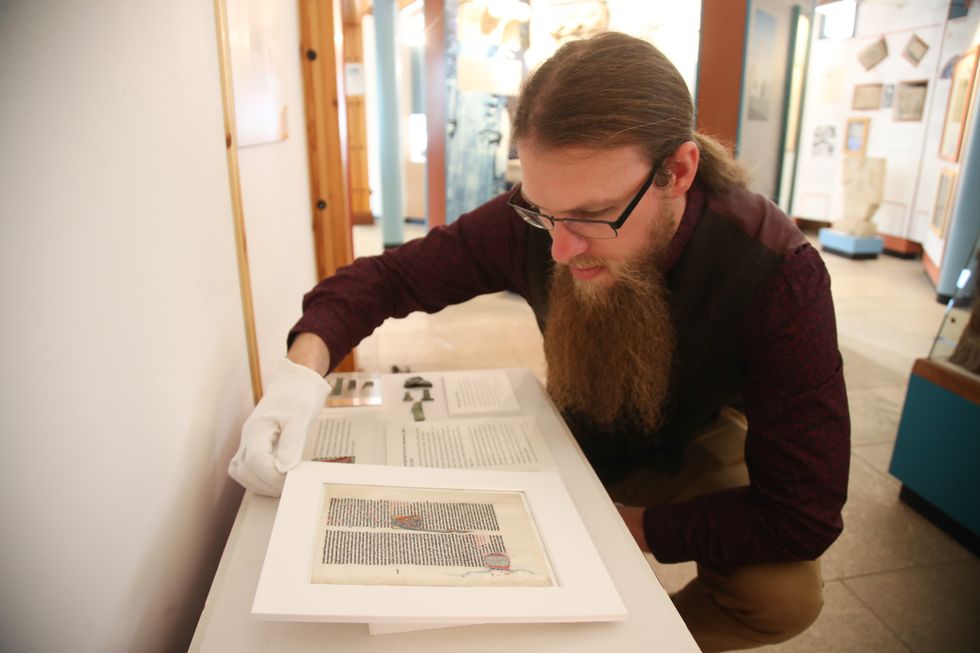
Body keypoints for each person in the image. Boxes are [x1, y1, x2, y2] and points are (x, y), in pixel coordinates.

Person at [228, 32, 849, 652]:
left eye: (591, 216)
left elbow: (803, 512)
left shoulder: (776, 271)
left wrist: (634, 530)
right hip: (572, 421)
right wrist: (300, 377)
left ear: (677, 172)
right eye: (542, 213)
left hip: (689, 434)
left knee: (781, 596)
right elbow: (388, 277)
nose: (559, 248)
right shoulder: (540, 222)